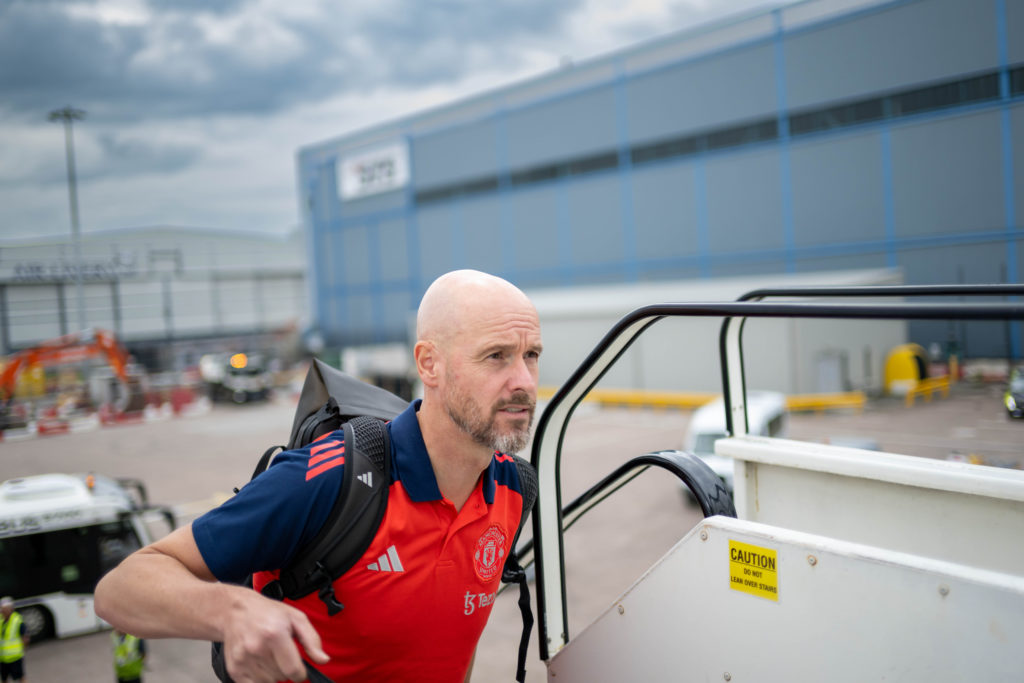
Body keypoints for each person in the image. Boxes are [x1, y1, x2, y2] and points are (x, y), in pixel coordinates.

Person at [95, 269, 543, 683]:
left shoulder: (515, 490)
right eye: (496, 356)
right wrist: (229, 610)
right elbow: (120, 590)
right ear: (430, 365)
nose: (523, 380)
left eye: (531, 355)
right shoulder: (336, 478)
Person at [0, 597, 28, 683]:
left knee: (21, 678)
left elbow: (25, 638)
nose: (2, 611)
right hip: (3, 658)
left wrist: (22, 650)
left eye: (4, 609)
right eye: (2, 609)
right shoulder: (0, 619)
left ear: (11, 609)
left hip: (15, 657)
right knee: (4, 679)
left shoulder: (17, 620)